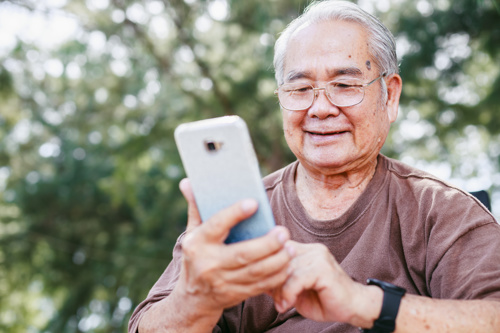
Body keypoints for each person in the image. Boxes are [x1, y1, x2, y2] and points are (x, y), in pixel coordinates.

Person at [129, 1, 500, 332]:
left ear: (390, 96)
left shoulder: (441, 211)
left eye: (343, 84)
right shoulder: (232, 216)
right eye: (301, 89)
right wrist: (196, 300)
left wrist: (360, 302)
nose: (320, 108)